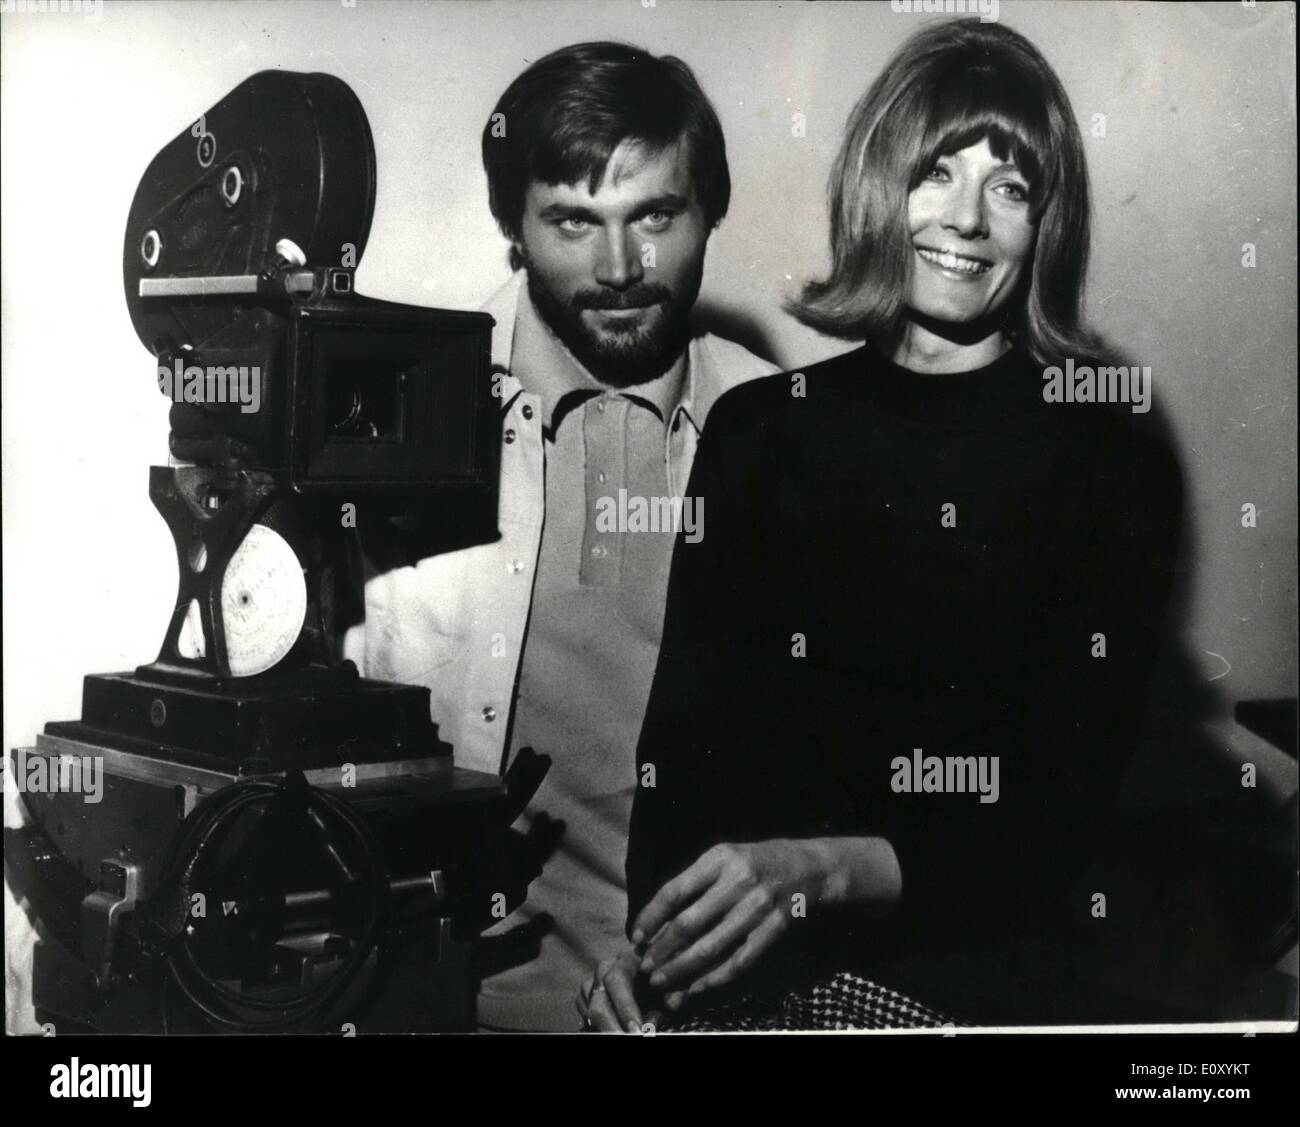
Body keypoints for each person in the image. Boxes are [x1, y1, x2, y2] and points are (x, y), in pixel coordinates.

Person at [580, 19, 1183, 1031]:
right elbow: (683, 753)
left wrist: (826, 867)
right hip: (745, 990)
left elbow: (1062, 812)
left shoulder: (1108, 454)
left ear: (1046, 226)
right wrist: (655, 957)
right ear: (878, 187)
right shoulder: (761, 430)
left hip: (971, 991)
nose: (966, 219)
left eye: (1010, 186)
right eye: (935, 171)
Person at [342, 41, 777, 1031]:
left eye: (654, 216)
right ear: (512, 227)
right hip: (420, 1007)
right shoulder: (392, 410)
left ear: (708, 210)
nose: (620, 269)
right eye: (574, 222)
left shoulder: (785, 428)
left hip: (705, 1016)